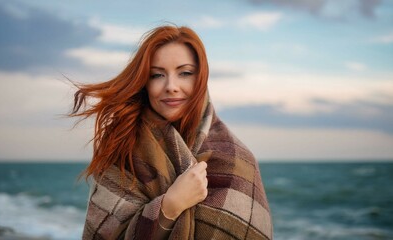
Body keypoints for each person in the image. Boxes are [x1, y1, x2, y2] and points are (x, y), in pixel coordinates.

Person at [70, 25, 273, 240]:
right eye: (157, 75)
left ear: (201, 79)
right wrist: (170, 206)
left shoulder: (238, 161)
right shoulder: (122, 147)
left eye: (184, 73)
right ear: (144, 83)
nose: (171, 86)